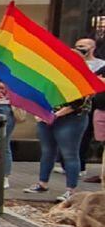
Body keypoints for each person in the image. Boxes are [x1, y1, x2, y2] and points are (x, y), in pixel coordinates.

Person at [24, 78, 92, 202]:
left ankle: (71, 190)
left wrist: (54, 115)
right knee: (47, 151)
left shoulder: (76, 78)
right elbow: (35, 94)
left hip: (71, 118)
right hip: (45, 117)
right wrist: (38, 113)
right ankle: (42, 183)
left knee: (69, 153)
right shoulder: (43, 76)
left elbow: (78, 102)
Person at [74, 38, 105, 182]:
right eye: (77, 46)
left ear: (92, 48)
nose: (80, 48)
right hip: (87, 106)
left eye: (83, 46)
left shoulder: (101, 64)